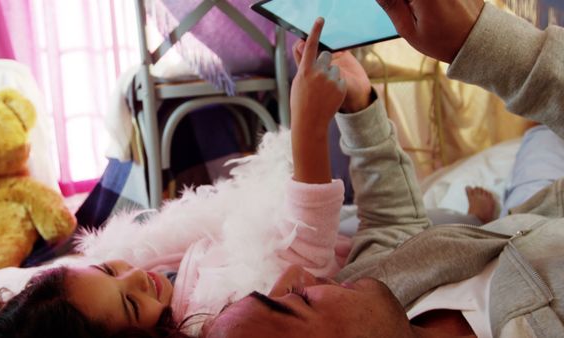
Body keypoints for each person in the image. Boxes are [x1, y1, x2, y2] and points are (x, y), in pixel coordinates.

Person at [0, 18, 353, 338]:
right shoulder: (215, 317)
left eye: (107, 271)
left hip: (256, 220)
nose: (135, 277)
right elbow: (303, 254)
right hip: (319, 237)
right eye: (129, 304)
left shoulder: (138, 273)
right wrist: (309, 130)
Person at [203, 1, 564, 337]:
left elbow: (391, 228)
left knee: (537, 141)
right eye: (294, 303)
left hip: (531, 214)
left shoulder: (371, 297)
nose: (295, 275)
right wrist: (478, 41)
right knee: (542, 138)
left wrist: (358, 108)